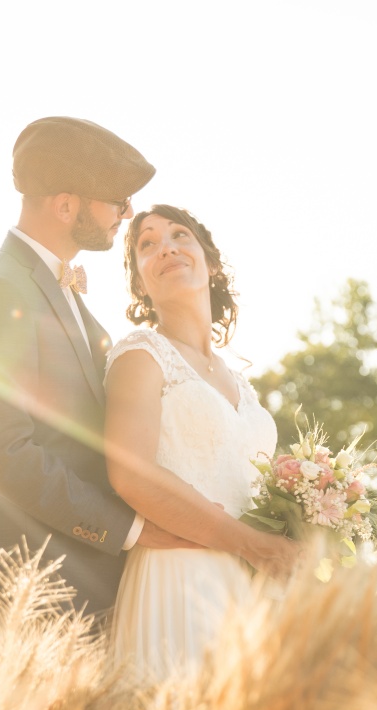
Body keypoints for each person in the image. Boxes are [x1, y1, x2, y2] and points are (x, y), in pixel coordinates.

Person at [0, 117, 195, 644]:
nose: (126, 213)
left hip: (89, 586)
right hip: (33, 589)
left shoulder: (62, 292)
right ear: (65, 207)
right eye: (116, 199)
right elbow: (0, 449)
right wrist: (131, 530)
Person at [104, 204, 301, 679]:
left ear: (210, 262)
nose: (165, 246)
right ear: (140, 284)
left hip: (255, 588)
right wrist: (250, 544)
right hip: (181, 579)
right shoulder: (140, 356)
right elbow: (130, 474)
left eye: (178, 235)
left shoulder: (241, 383)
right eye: (146, 245)